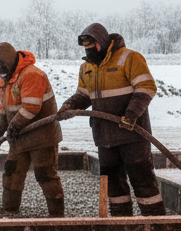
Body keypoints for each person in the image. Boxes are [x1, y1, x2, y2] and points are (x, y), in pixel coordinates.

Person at [57, 22, 165, 216]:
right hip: (104, 136)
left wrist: (131, 114)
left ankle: (156, 224)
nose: (89, 51)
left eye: (92, 46)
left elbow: (146, 87)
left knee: (141, 178)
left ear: (103, 42)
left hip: (132, 132)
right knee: (113, 183)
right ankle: (121, 224)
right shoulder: (86, 68)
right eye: (86, 47)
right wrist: (70, 105)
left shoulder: (129, 58)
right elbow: (84, 94)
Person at [0, 42, 66, 217]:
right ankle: (9, 210)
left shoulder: (32, 75)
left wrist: (12, 127)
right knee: (12, 172)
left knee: (45, 174)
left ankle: (57, 215)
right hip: (19, 137)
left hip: (42, 137)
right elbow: (4, 107)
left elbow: (31, 107)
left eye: (1, 65)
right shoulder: (5, 79)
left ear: (9, 61)